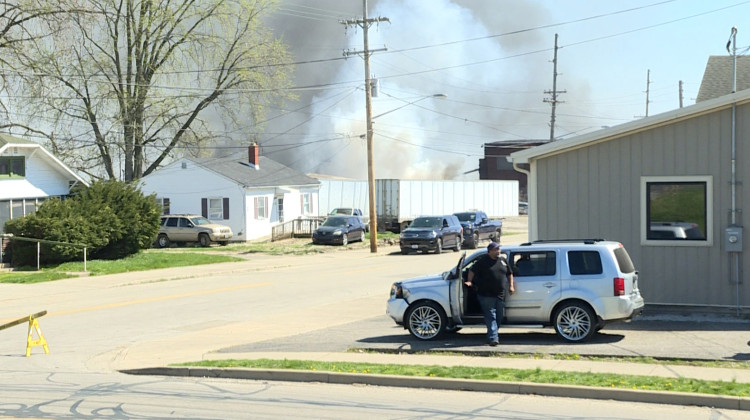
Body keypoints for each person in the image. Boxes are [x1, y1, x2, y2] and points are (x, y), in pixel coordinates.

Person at [465, 241, 515, 346]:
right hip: (486, 295)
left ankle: (491, 335)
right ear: (490, 252)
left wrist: (511, 286)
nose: (498, 251)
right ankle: (493, 338)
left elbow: (509, 274)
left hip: (500, 294)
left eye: (499, 249)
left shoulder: (503, 260)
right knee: (491, 316)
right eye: (496, 249)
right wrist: (469, 281)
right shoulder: (483, 261)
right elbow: (471, 271)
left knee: (498, 317)